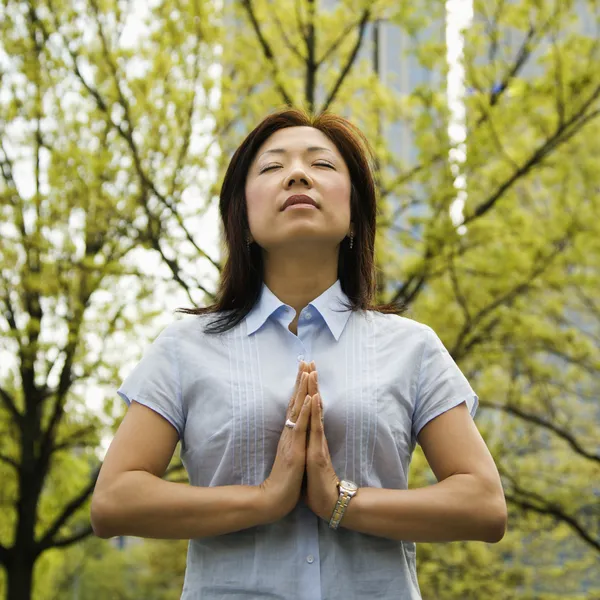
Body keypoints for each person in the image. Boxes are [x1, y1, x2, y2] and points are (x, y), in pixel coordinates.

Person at [90, 107, 507, 599]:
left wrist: (339, 501)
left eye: (322, 165)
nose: (297, 174)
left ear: (354, 216)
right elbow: (114, 500)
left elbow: (484, 504)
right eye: (271, 167)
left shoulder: (411, 347)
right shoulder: (185, 347)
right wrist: (265, 500)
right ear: (242, 221)